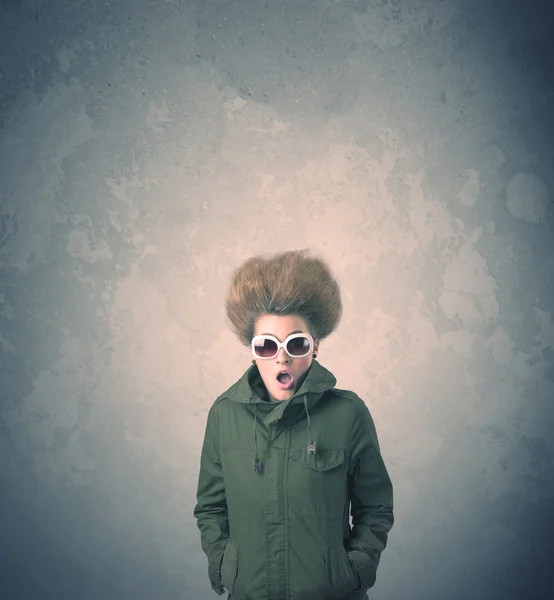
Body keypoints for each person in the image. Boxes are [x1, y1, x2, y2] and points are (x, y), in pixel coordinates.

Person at [193, 249, 394, 600]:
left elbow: (375, 506)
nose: (282, 357)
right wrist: (226, 563)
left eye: (296, 344)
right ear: (252, 349)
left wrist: (355, 569)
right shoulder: (224, 416)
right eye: (267, 346)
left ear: (314, 347)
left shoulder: (348, 415)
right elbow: (211, 507)